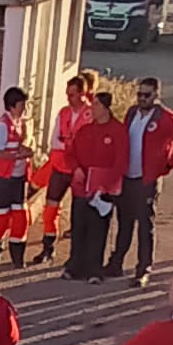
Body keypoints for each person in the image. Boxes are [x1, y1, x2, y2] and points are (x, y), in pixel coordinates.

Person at [107, 73, 173, 284]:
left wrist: (168, 165)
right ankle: (116, 263)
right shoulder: (132, 113)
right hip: (128, 176)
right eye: (139, 94)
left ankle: (143, 269)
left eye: (146, 95)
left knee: (145, 225)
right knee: (124, 222)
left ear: (156, 95)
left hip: (147, 180)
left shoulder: (166, 118)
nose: (141, 98)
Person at [62, 83, 127, 280]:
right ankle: (75, 267)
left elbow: (121, 161)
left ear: (106, 108)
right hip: (81, 188)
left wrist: (106, 184)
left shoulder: (118, 131)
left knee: (98, 230)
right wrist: (76, 170)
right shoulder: (85, 131)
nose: (93, 108)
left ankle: (94, 270)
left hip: (102, 190)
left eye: (97, 105)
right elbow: (70, 154)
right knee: (79, 227)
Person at [35, 71, 94, 263]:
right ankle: (47, 248)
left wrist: (68, 142)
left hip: (81, 171)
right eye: (67, 94)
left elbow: (88, 145)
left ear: (82, 94)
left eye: (72, 94)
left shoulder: (91, 114)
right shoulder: (63, 113)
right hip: (60, 167)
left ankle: (76, 255)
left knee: (80, 211)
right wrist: (71, 143)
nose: (68, 98)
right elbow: (55, 142)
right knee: (51, 207)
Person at [0, 86, 32, 267]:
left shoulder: (19, 123)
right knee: (0, 217)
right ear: (11, 106)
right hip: (2, 178)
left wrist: (26, 151)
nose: (23, 108)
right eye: (21, 104)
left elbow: (16, 146)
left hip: (17, 178)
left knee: (20, 216)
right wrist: (18, 156)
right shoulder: (1, 126)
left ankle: (17, 255)